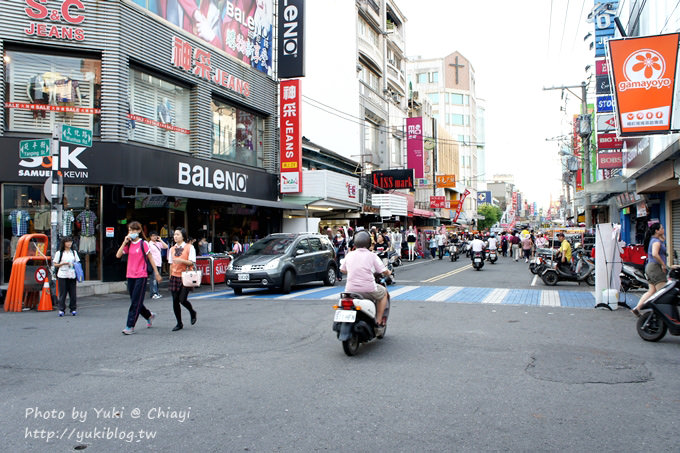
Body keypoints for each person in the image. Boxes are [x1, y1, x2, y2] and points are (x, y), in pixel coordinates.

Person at [115, 221, 161, 335]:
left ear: (139, 231)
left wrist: (157, 273)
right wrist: (124, 242)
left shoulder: (143, 243)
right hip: (130, 275)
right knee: (136, 301)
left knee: (135, 302)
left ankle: (130, 325)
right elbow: (118, 255)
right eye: (130, 230)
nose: (132, 233)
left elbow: (151, 258)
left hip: (141, 275)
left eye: (134, 230)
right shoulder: (129, 244)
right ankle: (149, 315)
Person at [340, 230, 391, 328]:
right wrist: (389, 273)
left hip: (350, 290)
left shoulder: (349, 255)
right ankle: (379, 320)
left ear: (355, 243)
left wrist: (352, 270)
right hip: (368, 289)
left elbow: (342, 270)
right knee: (384, 293)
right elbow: (383, 270)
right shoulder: (372, 255)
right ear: (368, 244)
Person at [633, 223, 668, 317]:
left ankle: (637, 308)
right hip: (655, 267)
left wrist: (662, 237)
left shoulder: (654, 240)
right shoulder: (656, 242)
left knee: (651, 291)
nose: (663, 229)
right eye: (662, 228)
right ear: (657, 231)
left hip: (650, 267)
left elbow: (662, 242)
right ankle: (660, 314)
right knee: (662, 292)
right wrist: (663, 264)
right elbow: (655, 254)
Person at [168, 228, 198, 331]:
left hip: (185, 276)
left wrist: (181, 260)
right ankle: (179, 323)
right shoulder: (172, 249)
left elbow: (191, 262)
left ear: (183, 236)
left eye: (177, 234)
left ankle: (192, 312)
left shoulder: (189, 247)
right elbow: (171, 264)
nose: (175, 236)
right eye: (174, 234)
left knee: (182, 299)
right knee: (175, 301)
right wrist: (170, 275)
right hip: (174, 277)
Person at [54, 236, 79, 316]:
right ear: (64, 243)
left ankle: (73, 309)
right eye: (67, 242)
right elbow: (55, 264)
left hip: (72, 274)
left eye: (70, 242)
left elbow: (77, 262)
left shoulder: (74, 252)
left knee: (73, 293)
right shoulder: (59, 253)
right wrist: (63, 264)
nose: (69, 243)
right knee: (62, 293)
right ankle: (61, 309)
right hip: (62, 274)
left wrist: (74, 264)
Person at [147, 231, 168, 299]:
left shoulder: (158, 243)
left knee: (157, 279)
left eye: (156, 235)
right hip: (153, 263)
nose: (154, 237)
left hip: (159, 263)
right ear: (150, 237)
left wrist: (160, 240)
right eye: (153, 236)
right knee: (153, 279)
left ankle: (156, 292)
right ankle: (153, 293)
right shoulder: (149, 244)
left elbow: (166, 246)